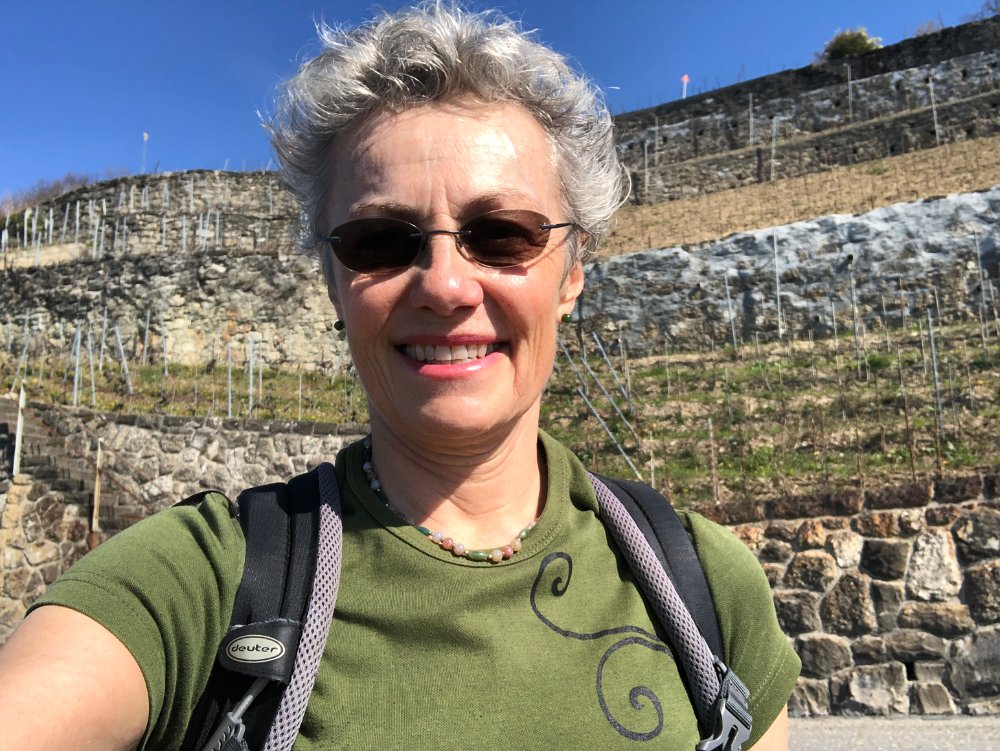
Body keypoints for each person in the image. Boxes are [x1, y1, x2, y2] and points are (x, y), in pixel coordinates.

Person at [0, 3, 799, 749]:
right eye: (380, 240)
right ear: (332, 281)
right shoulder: (203, 580)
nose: (445, 285)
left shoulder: (705, 590)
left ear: (573, 269)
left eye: (501, 232)